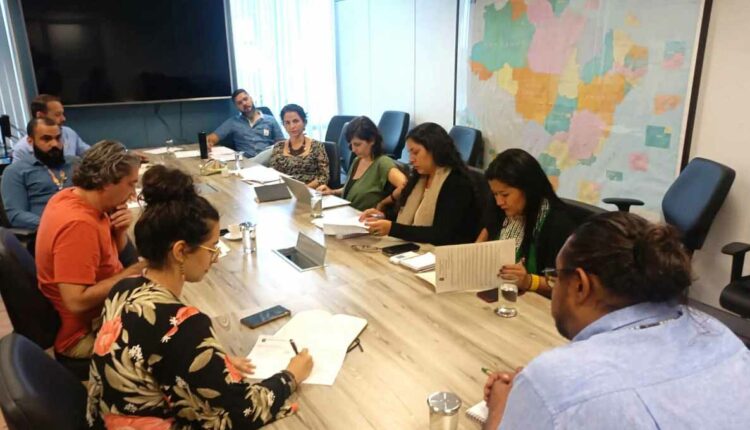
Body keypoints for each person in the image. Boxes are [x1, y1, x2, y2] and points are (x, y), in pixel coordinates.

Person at [87, 165, 314, 429]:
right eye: (212, 248)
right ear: (181, 251)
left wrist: (213, 367)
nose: (215, 258)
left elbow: (159, 361)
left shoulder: (124, 288)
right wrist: (290, 376)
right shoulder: (183, 325)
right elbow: (241, 412)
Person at [483, 212, 750, 429]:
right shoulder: (718, 333)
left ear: (580, 285)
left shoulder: (556, 379)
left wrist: (502, 406)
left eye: (556, 276)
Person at [36, 140, 146, 358]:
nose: (133, 194)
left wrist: (119, 231)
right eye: (130, 184)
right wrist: (133, 273)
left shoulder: (71, 196)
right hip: (83, 335)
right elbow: (75, 301)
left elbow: (109, 257)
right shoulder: (79, 226)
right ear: (106, 183)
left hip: (107, 311)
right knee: (171, 339)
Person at [361, 122, 481, 245]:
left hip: (441, 255)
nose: (411, 159)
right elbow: (406, 219)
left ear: (435, 149)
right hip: (412, 250)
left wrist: (392, 228)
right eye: (410, 153)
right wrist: (383, 217)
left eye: (416, 152)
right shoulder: (419, 177)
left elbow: (442, 234)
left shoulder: (456, 182)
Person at [479, 149, 576, 298]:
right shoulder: (502, 209)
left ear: (528, 189)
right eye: (495, 194)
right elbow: (487, 230)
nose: (499, 202)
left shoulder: (556, 223)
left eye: (505, 195)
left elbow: (565, 285)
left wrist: (529, 281)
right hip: (498, 294)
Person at [317, 116, 407, 211]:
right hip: (348, 214)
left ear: (372, 140)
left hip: (364, 218)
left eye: (357, 144)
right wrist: (332, 192)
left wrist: (384, 203)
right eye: (351, 144)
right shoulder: (358, 160)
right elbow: (352, 189)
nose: (353, 149)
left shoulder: (382, 162)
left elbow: (405, 185)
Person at [1, 118, 76, 229]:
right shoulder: (16, 171)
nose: (54, 144)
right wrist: (54, 225)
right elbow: (16, 215)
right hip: (47, 232)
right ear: (30, 141)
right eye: (46, 139)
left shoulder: (76, 163)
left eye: (58, 138)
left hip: (83, 224)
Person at [12, 94, 90, 162]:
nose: (63, 118)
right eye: (57, 114)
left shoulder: (68, 133)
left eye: (58, 138)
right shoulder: (21, 150)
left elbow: (91, 155)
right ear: (40, 116)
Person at [207, 89, 284, 157]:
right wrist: (207, 142)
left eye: (245, 99)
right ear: (236, 107)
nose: (244, 103)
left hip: (267, 160)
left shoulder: (270, 120)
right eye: (239, 103)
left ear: (251, 99)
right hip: (247, 162)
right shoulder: (233, 122)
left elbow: (281, 142)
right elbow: (212, 138)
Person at [269, 104, 329, 188]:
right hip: (286, 193)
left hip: (311, 192)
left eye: (296, 121)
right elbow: (274, 175)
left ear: (304, 122)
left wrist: (303, 189)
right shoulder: (278, 147)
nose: (292, 126)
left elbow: (324, 177)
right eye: (287, 123)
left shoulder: (316, 146)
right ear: (283, 125)